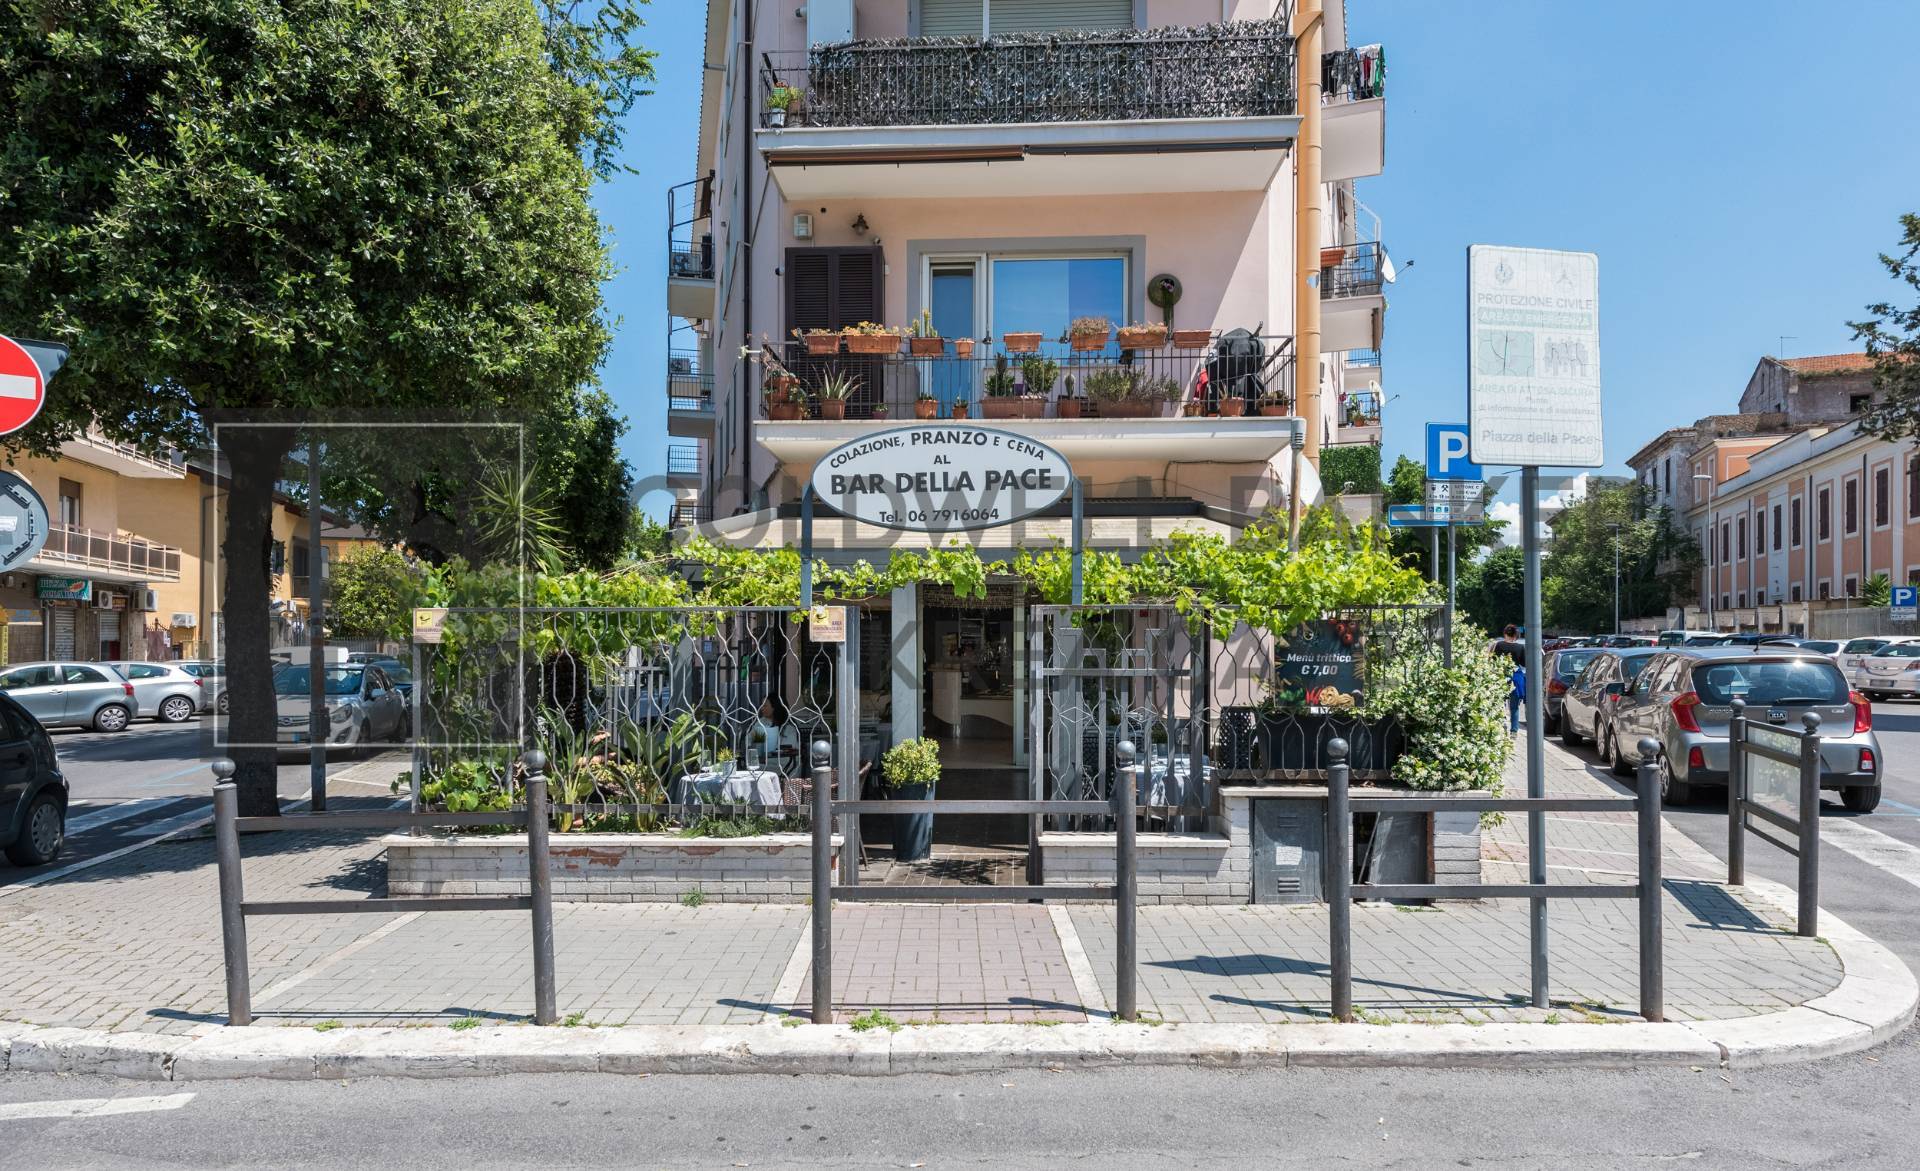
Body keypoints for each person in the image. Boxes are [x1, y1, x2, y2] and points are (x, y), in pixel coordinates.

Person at [1508, 662, 1526, 735]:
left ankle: (1514, 730)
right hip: (1518, 679)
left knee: (1513, 707)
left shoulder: (1501, 650)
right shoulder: (1521, 650)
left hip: (1508, 678)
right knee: (1514, 707)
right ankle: (1514, 731)